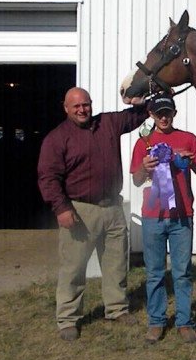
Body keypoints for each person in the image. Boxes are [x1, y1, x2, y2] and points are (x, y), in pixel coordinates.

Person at [37, 87, 148, 341]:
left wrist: (145, 100)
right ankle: (68, 318)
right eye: (76, 106)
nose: (82, 110)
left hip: (113, 208)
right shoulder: (56, 139)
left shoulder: (107, 123)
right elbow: (48, 178)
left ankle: (117, 309)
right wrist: (62, 208)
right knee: (73, 267)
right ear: (66, 108)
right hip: (79, 211)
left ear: (91, 104)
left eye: (85, 104)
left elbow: (136, 116)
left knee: (116, 263)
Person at [130, 93, 196, 344]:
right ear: (151, 115)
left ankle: (184, 321)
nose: (163, 117)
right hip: (153, 217)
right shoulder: (144, 141)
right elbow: (136, 179)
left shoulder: (189, 139)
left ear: (174, 113)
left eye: (168, 112)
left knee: (182, 272)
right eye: (158, 113)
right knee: (154, 272)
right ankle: (156, 321)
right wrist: (145, 166)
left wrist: (191, 162)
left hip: (181, 217)